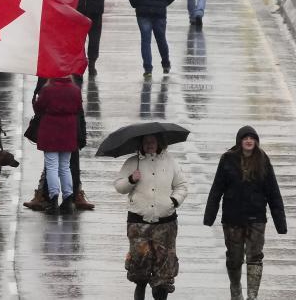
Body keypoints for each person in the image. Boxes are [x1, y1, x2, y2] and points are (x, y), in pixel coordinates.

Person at [204, 126, 287, 300]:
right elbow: (217, 189)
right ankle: (236, 289)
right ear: (239, 141)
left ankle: (252, 296)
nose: (249, 141)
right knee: (234, 259)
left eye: (252, 138)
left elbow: (273, 192)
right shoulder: (227, 160)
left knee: (255, 257)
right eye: (245, 138)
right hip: (232, 219)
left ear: (256, 141)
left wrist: (280, 222)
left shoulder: (263, 160)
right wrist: (209, 216)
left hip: (256, 218)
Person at [114, 134, 189, 300]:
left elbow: (182, 186)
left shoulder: (170, 162)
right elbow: (119, 186)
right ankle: (140, 291)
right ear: (141, 143)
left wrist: (174, 201)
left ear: (159, 143)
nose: (149, 145)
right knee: (139, 268)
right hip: (138, 223)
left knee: (164, 270)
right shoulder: (132, 162)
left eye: (152, 141)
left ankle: (160, 293)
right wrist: (131, 179)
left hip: (166, 224)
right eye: (146, 142)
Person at [32, 76, 82, 214]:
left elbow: (38, 108)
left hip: (50, 131)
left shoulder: (48, 89)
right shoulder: (75, 89)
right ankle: (67, 199)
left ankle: (53, 199)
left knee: (52, 166)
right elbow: (78, 107)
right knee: (65, 166)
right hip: (68, 130)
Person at [127, 0, 177, 78]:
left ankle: (148, 69)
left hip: (143, 14)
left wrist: (136, 5)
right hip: (160, 14)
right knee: (161, 39)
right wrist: (164, 3)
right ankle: (166, 64)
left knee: (146, 41)